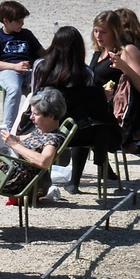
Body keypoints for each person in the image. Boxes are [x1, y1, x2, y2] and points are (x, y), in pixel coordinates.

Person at [30, 25, 119, 192]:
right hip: (76, 133)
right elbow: (89, 106)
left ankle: (41, 179)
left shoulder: (41, 66)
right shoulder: (85, 72)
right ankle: (74, 181)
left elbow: (35, 96)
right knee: (83, 121)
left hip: (45, 124)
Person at [0, 87, 66, 199]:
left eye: (36, 114)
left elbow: (44, 161)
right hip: (1, 170)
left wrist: (14, 145)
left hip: (11, 179)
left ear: (51, 116)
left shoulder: (53, 138)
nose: (31, 117)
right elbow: (19, 138)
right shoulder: (41, 130)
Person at [90, 9, 140, 148]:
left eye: (104, 32)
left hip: (119, 112)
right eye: (96, 31)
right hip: (99, 105)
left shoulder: (127, 51)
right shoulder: (99, 51)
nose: (98, 36)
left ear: (115, 32)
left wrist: (124, 67)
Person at [0, 1, 44, 131]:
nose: (22, 23)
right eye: (19, 21)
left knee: (42, 89)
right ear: (6, 20)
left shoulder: (26, 34)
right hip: (8, 69)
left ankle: (35, 126)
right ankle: (7, 129)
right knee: (14, 89)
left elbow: (43, 53)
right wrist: (14, 66)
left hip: (29, 69)